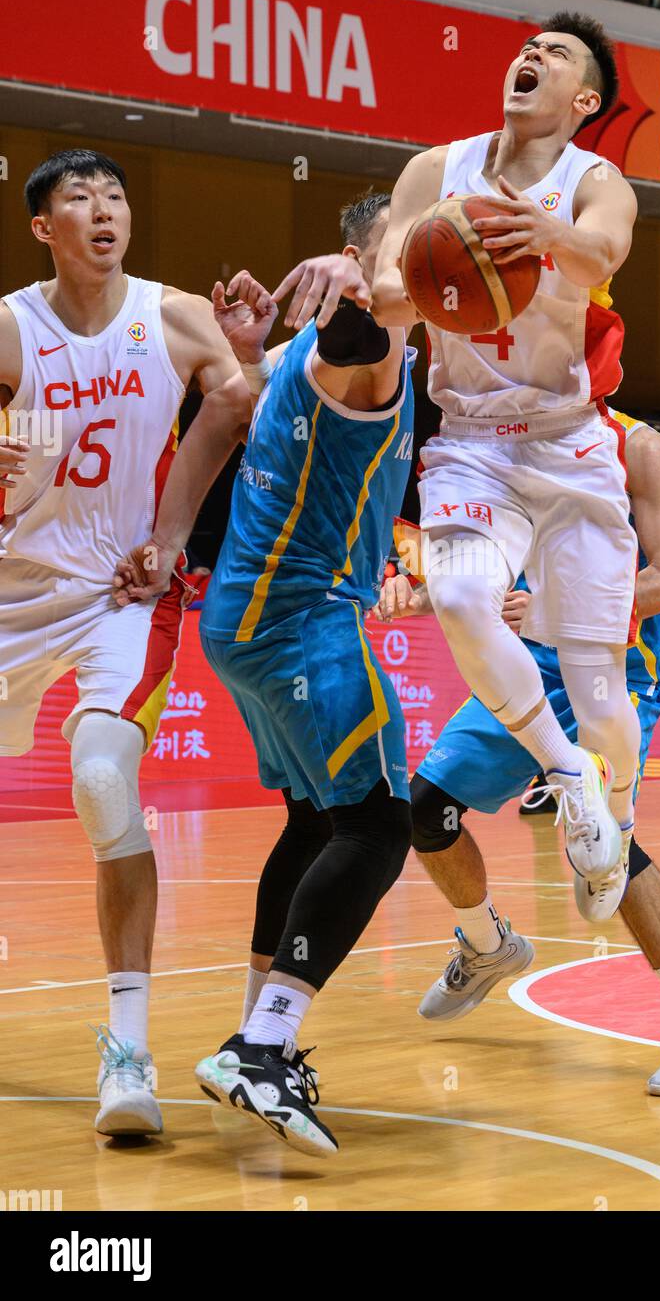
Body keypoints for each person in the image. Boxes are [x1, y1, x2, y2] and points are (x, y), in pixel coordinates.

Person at [0, 148, 251, 1137]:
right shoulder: (13, 325)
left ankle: (128, 1053)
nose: (103, 211)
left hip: (119, 595)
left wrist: (174, 534)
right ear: (43, 230)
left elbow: (240, 401)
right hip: (13, 593)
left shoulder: (176, 316)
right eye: (79, 200)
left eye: (115, 197)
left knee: (105, 778)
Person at [378, 409, 660, 1096]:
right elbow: (485, 578)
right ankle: (488, 946)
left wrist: (550, 609)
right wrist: (418, 591)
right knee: (427, 810)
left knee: (607, 842)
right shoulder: (503, 440)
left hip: (614, 668)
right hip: (532, 666)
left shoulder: (642, 448)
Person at [368, 11, 641, 913]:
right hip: (473, 441)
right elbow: (382, 293)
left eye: (554, 55)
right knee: (455, 593)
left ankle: (620, 811)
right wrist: (451, 259)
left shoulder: (595, 181)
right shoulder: (433, 172)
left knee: (602, 691)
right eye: (526, 50)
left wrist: (541, 234)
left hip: (570, 444)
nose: (531, 58)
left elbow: (603, 249)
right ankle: (569, 781)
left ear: (584, 98)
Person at [166, 193, 415, 1156]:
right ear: (366, 256)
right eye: (417, 238)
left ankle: (253, 1037)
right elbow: (358, 327)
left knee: (313, 824)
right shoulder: (368, 342)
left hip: (239, 618)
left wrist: (244, 347)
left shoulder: (292, 362)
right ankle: (264, 1048)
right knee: (380, 823)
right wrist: (353, 284)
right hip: (301, 615)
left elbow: (262, 384)